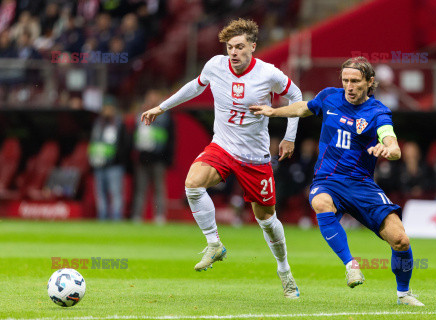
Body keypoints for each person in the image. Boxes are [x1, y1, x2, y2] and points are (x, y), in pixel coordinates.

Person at [141, 18, 301, 299]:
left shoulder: (268, 73)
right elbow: (195, 86)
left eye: (240, 47)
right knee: (193, 183)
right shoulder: (215, 65)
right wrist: (161, 107)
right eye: (230, 47)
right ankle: (214, 244)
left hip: (255, 157)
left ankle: (284, 271)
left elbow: (295, 94)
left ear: (252, 46)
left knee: (266, 220)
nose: (234, 52)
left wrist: (290, 136)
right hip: (223, 147)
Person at [250, 56, 425, 306]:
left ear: (370, 82)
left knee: (400, 240)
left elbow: (392, 143)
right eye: (345, 80)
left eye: (355, 81)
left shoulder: (377, 112)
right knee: (321, 202)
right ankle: (351, 264)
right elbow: (302, 108)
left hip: (362, 184)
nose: (349, 86)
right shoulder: (329, 97)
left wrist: (389, 150)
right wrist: (274, 111)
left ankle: (404, 294)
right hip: (328, 180)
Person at [131, 89, 174, 224]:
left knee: (159, 188)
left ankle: (160, 216)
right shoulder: (140, 115)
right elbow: (136, 136)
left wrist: (168, 159)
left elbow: (171, 139)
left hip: (158, 158)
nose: (151, 101)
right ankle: (137, 216)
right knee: (141, 189)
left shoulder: (165, 116)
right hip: (143, 158)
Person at [88, 96, 128, 221]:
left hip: (114, 166)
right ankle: (102, 218)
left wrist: (118, 159)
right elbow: (93, 142)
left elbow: (125, 145)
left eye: (109, 108)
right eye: (105, 108)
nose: (107, 111)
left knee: (115, 194)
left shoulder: (119, 124)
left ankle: (116, 219)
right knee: (101, 195)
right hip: (99, 164)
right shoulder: (97, 124)